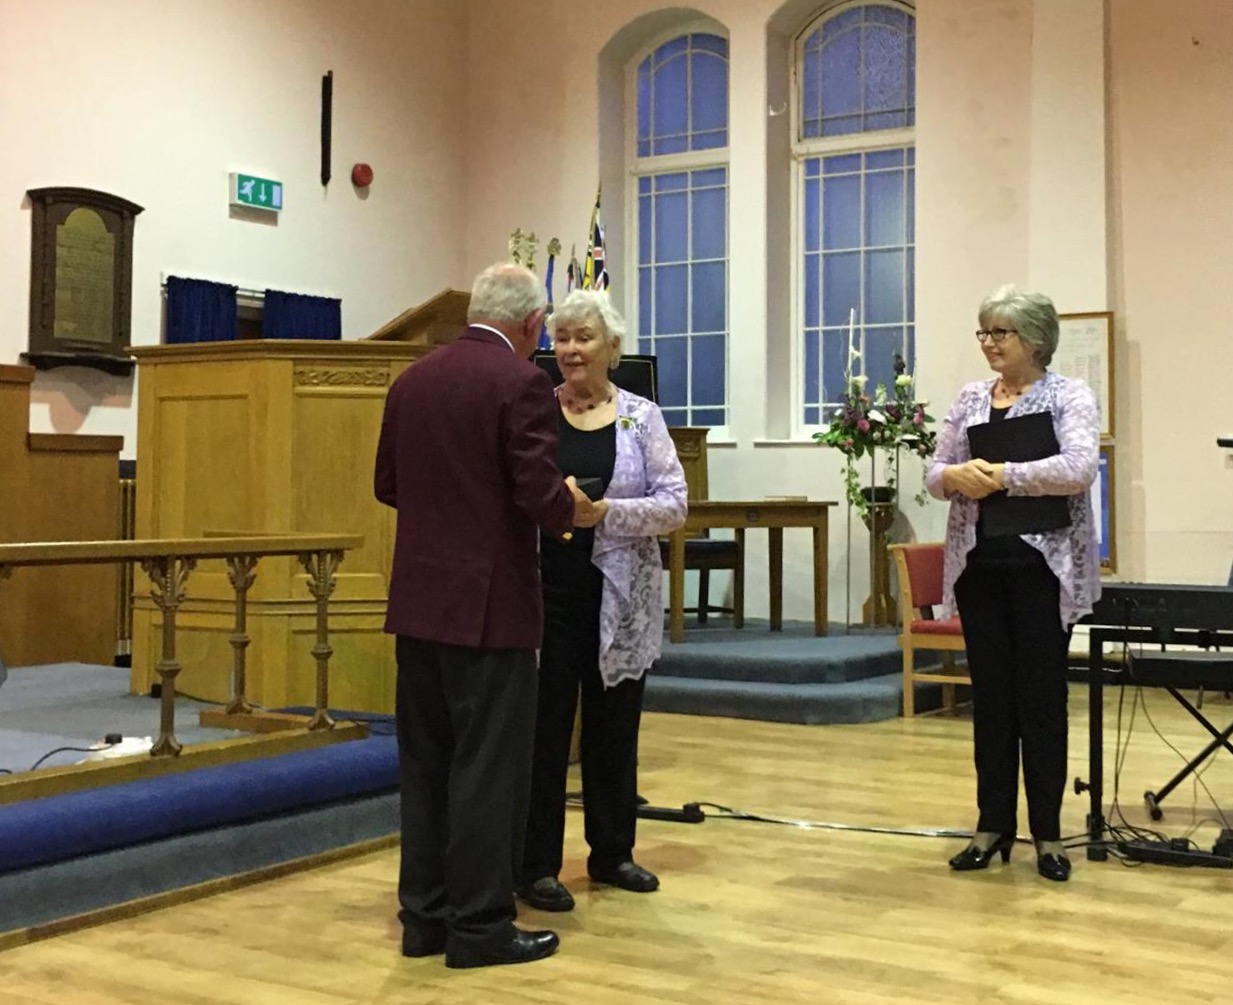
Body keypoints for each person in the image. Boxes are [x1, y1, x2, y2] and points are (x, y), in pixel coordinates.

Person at [374, 262, 601, 968]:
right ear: (532, 324)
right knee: (485, 770)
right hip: (490, 609)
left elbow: (387, 484)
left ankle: (425, 920)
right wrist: (572, 509)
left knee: (426, 766)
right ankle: (479, 925)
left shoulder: (411, 381)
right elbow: (536, 489)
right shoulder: (520, 382)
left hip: (418, 606)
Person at [517, 289, 688, 913]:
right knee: (543, 731)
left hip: (622, 597)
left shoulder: (642, 417)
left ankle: (613, 853)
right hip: (546, 592)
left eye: (583, 338)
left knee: (615, 728)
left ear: (611, 347)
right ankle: (536, 866)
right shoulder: (535, 409)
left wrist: (605, 512)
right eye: (561, 338)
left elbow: (675, 504)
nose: (570, 350)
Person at [925, 285, 1100, 883]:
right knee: (992, 701)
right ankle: (992, 825)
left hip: (1042, 571)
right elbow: (934, 473)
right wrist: (955, 475)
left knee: (1041, 702)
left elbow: (1079, 468)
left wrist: (1003, 475)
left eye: (1001, 332)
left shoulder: (1068, 395)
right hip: (980, 566)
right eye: (985, 332)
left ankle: (1047, 834)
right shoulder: (971, 397)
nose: (989, 343)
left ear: (1035, 339)